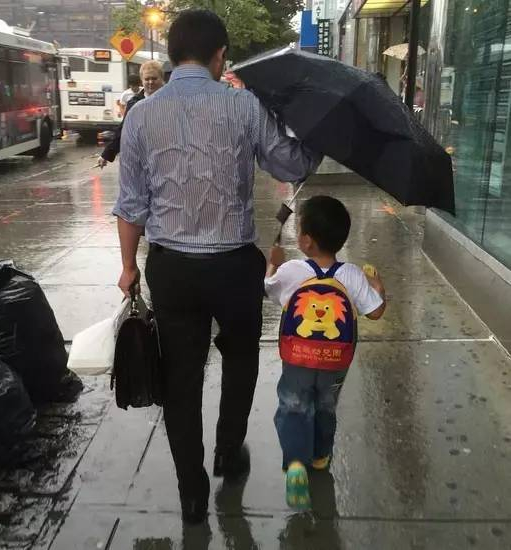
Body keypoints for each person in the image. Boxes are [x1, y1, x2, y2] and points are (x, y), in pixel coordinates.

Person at [113, 9, 322, 524]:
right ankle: (228, 450)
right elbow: (291, 164)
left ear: (171, 54)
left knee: (180, 377)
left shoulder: (139, 115)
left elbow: (131, 205)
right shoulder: (244, 106)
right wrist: (313, 132)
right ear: (219, 55)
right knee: (241, 358)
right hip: (234, 268)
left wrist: (127, 266)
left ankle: (191, 493)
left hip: (172, 270)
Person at [264, 196, 386, 509]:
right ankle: (319, 456)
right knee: (325, 405)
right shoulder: (352, 275)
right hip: (335, 362)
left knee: (294, 404)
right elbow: (375, 312)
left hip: (298, 358)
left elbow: (268, 288)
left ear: (306, 241)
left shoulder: (291, 270)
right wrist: (377, 286)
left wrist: (273, 263)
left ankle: (295, 462)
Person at [98, 61, 164, 168]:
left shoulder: (173, 100)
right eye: (147, 79)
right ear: (142, 81)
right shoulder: (134, 103)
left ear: (161, 78)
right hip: (141, 160)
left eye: (154, 78)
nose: (150, 82)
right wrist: (106, 154)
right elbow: (124, 130)